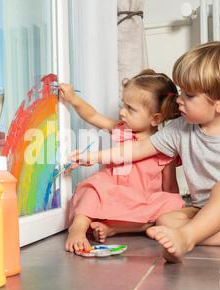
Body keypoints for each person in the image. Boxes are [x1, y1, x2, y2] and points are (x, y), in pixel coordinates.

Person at [68, 42, 220, 262]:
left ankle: (187, 239)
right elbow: (138, 149)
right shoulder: (180, 129)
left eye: (189, 95)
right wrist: (93, 157)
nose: (179, 100)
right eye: (180, 92)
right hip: (204, 210)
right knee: (165, 220)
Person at [59, 70, 185, 253]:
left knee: (171, 203)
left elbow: (170, 187)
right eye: (123, 105)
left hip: (141, 200)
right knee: (92, 189)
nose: (122, 112)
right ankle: (77, 228)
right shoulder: (121, 129)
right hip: (111, 191)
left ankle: (114, 228)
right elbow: (93, 116)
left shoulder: (165, 148)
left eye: (130, 109)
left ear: (155, 118)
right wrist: (72, 99)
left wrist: (171, 207)